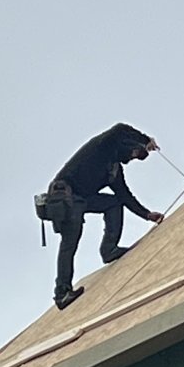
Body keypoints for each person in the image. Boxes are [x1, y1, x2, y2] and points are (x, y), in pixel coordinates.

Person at [39, 124, 163, 309]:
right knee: (70, 240)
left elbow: (125, 196)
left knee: (114, 203)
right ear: (127, 146)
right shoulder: (104, 146)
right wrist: (145, 140)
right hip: (65, 196)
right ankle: (62, 292)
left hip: (83, 199)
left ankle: (109, 249)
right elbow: (120, 128)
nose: (132, 157)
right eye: (133, 153)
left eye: (135, 157)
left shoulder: (114, 170)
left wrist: (146, 214)